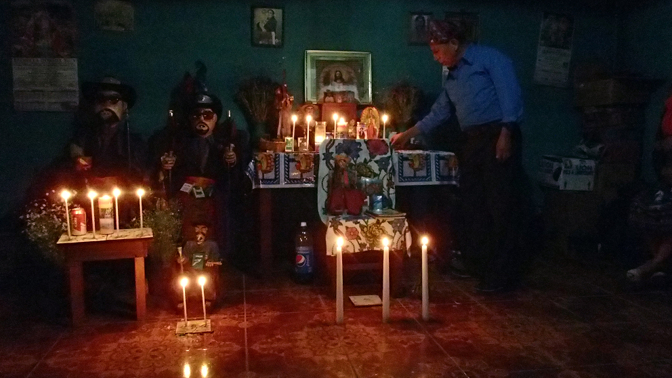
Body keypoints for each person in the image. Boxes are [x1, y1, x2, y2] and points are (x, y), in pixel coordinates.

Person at [391, 19, 529, 293]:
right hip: (473, 141)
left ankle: (503, 276)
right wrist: (406, 135)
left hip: (497, 135)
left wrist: (506, 133)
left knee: (500, 204)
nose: (435, 57)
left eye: (437, 50)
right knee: (473, 204)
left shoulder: (490, 59)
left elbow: (510, 95)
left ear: (454, 43)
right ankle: (481, 267)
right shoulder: (453, 78)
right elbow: (440, 112)